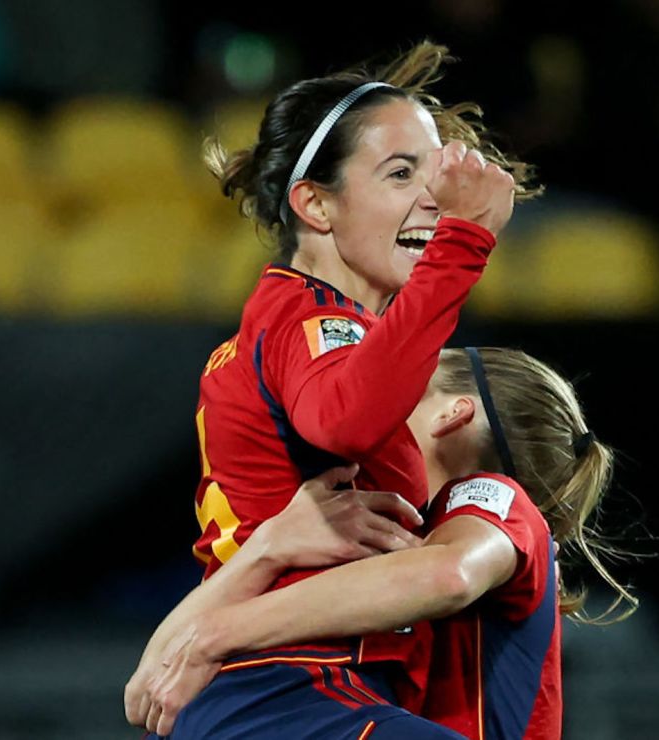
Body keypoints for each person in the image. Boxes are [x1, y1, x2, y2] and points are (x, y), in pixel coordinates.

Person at [152, 38, 537, 736]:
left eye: (433, 175)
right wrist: (463, 246)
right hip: (293, 691)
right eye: (398, 174)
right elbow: (345, 421)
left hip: (284, 694)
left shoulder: (299, 324)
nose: (432, 201)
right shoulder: (314, 318)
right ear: (316, 206)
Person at [127, 347, 636, 738]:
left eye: (406, 387)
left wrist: (219, 634)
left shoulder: (491, 499)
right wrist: (268, 548)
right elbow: (150, 680)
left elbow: (447, 574)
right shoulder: (391, 536)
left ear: (454, 414)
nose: (378, 398)